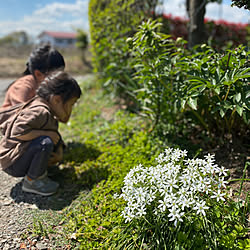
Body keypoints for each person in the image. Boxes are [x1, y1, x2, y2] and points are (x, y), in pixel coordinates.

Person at [0, 71, 82, 196]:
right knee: (45, 142)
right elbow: (18, 131)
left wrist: (59, 151)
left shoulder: (48, 112)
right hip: (12, 163)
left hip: (16, 159)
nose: (71, 109)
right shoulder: (40, 111)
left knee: (48, 138)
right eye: (71, 104)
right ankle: (32, 182)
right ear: (57, 100)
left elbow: (55, 133)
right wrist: (45, 134)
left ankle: (38, 173)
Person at [1, 44, 65, 108]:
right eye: (56, 75)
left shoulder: (49, 88)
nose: (60, 78)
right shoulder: (22, 86)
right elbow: (22, 113)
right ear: (38, 74)